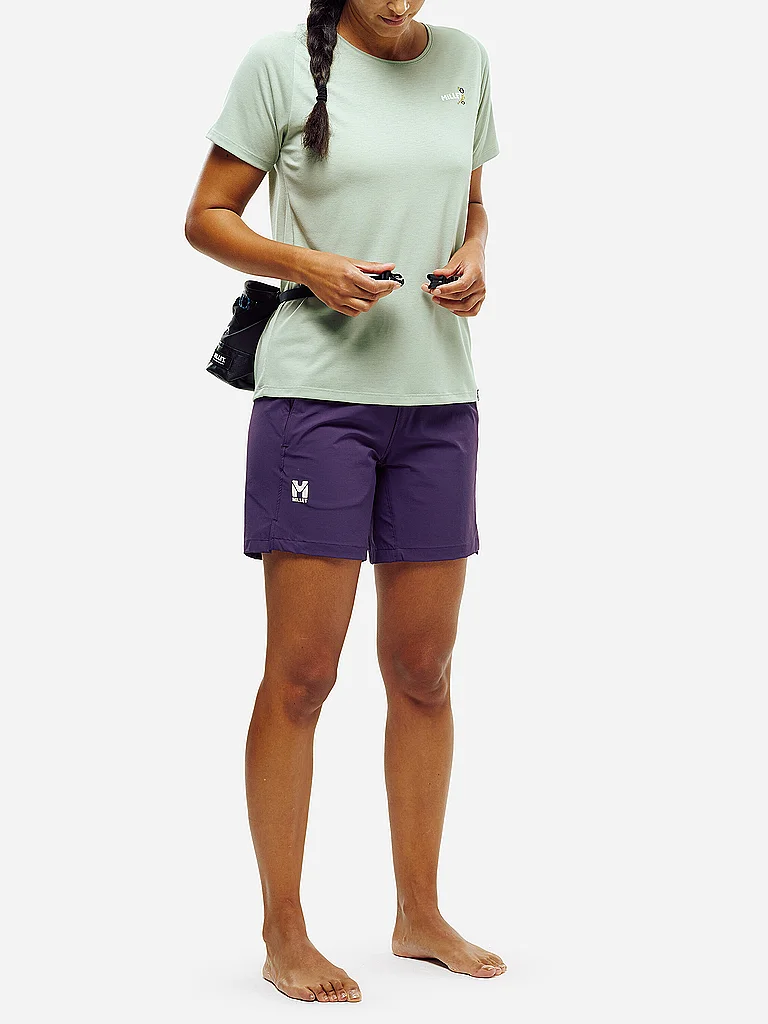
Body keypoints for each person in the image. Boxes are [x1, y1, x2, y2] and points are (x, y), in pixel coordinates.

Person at [185, 0, 505, 1004]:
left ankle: (419, 913)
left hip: (439, 401)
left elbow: (470, 199)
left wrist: (477, 254)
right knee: (302, 676)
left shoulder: (466, 59)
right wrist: (305, 265)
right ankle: (283, 930)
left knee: (424, 670)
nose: (401, 2)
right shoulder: (280, 64)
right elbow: (206, 216)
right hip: (317, 405)